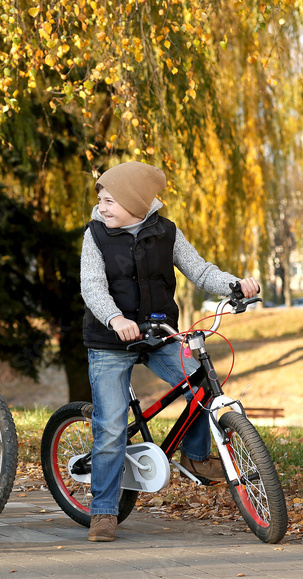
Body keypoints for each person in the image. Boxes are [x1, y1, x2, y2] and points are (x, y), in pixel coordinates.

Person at [80, 161, 260, 543]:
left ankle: (194, 455)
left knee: (199, 382)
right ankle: (104, 511)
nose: (102, 207)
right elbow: (92, 286)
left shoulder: (167, 233)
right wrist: (114, 318)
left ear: (138, 203)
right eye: (101, 200)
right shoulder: (95, 235)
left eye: (110, 201)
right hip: (111, 339)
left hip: (158, 332)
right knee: (111, 427)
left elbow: (199, 270)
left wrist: (234, 284)